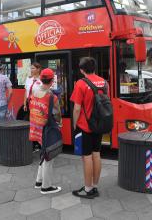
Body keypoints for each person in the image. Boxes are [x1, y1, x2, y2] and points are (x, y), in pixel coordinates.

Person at [70, 57, 107, 199]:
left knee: (87, 157)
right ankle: (95, 186)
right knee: (96, 154)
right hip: (99, 125)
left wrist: (74, 124)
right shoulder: (104, 82)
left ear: (81, 70)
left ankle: (87, 189)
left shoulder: (81, 83)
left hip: (85, 126)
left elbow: (77, 108)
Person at [29, 68, 62, 194]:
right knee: (49, 156)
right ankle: (46, 186)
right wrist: (59, 124)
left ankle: (39, 180)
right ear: (52, 80)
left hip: (35, 127)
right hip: (47, 129)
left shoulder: (34, 90)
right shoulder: (51, 97)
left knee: (43, 152)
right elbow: (57, 114)